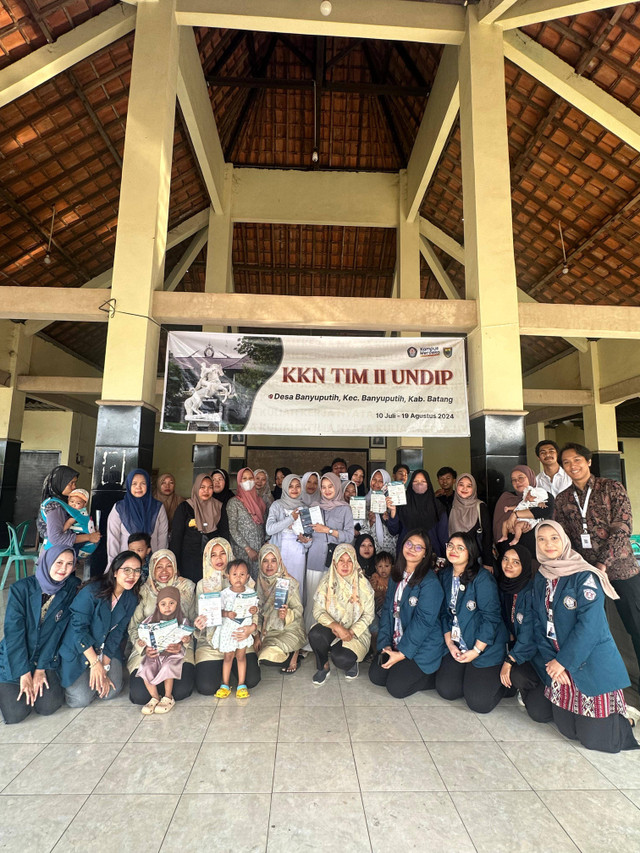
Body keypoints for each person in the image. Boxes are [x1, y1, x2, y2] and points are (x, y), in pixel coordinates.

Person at [533, 521, 637, 752]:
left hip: (589, 663)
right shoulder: (541, 577)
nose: (548, 544)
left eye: (554, 538)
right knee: (568, 731)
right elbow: (539, 624)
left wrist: (562, 662)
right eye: (542, 539)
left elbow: (591, 627)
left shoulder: (584, 576)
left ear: (564, 540)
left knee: (597, 741)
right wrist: (553, 662)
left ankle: (624, 718)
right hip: (559, 665)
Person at [554, 442, 640, 690]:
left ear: (588, 461)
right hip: (585, 573)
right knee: (590, 625)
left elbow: (623, 527)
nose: (573, 466)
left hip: (621, 569)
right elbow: (564, 537)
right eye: (567, 462)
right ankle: (601, 681)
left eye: (577, 460)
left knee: (634, 624)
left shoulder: (611, 487)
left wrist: (603, 562)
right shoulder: (563, 499)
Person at [0, 545, 80, 725]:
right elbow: (14, 633)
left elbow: (58, 631)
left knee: (48, 706)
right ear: (47, 561)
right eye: (59, 562)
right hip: (17, 655)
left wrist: (41, 668)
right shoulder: (21, 589)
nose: (63, 569)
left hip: (46, 655)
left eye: (69, 564)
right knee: (15, 715)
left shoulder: (70, 588)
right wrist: (24, 673)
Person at [435, 531, 508, 713]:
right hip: (458, 643)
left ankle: (508, 686)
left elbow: (491, 618)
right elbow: (444, 614)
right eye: (450, 546)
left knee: (479, 704)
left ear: (471, 552)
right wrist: (450, 644)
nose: (453, 550)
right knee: (447, 690)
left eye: (461, 548)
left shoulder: (482, 578)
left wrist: (476, 651)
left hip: (484, 647)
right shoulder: (444, 575)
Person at [59, 551, 142, 707]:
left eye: (137, 570)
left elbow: (117, 633)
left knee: (110, 692)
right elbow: (78, 629)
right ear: (116, 571)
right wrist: (95, 664)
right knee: (79, 700)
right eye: (127, 570)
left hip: (105, 649)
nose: (132, 575)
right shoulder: (92, 591)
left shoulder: (130, 598)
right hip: (80, 648)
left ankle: (94, 675)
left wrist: (104, 665)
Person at [369, 530, 445, 698]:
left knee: (396, 688)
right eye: (409, 544)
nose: (412, 549)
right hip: (397, 640)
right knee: (376, 677)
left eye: (419, 547)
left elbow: (423, 624)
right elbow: (388, 613)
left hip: (421, 647)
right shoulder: (396, 575)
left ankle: (432, 675)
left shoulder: (430, 582)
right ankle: (401, 665)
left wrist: (402, 653)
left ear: (426, 554)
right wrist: (385, 645)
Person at [127, 549, 196, 706]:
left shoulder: (187, 588)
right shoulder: (143, 591)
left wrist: (182, 643)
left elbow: (194, 621)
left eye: (168, 566)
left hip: (177, 650)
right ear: (152, 568)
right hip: (149, 651)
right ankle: (156, 692)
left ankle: (165, 692)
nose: (164, 571)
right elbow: (133, 628)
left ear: (175, 566)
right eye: (159, 567)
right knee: (140, 695)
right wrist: (144, 648)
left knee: (180, 690)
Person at [194, 537, 261, 695]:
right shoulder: (202, 585)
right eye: (213, 554)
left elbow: (257, 609)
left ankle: (238, 681)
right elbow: (195, 616)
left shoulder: (248, 583)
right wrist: (199, 622)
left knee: (251, 680)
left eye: (223, 553)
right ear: (207, 557)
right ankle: (225, 678)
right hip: (211, 641)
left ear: (229, 554)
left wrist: (252, 628)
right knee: (207, 687)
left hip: (239, 635)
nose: (219, 558)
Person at [497, 546, 552, 723]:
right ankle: (527, 690)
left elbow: (531, 635)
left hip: (538, 658)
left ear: (525, 565)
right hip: (521, 654)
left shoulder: (531, 591)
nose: (509, 565)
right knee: (538, 711)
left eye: (516, 562)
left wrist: (510, 661)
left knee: (541, 714)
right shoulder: (504, 587)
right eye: (505, 559)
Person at [309, 543, 374, 685]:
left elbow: (369, 616)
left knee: (342, 659)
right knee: (315, 634)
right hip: (333, 628)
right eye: (341, 561)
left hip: (356, 632)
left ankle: (352, 663)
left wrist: (350, 631)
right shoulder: (327, 581)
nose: (345, 565)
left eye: (349, 561)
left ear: (355, 562)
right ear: (334, 563)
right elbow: (318, 611)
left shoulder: (363, 584)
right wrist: (337, 627)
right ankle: (323, 667)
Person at [304, 473, 355, 638]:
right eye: (323, 487)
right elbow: (309, 533)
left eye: (330, 486)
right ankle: (310, 639)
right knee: (314, 599)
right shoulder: (314, 506)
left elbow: (349, 536)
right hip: (315, 559)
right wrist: (304, 538)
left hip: (335, 562)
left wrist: (328, 530)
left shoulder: (345, 508)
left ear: (337, 487)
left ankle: (329, 639)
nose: (326, 490)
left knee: (332, 602)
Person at [136, 587, 193, 715]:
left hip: (172, 654)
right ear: (158, 605)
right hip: (155, 655)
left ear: (177, 604)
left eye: (171, 603)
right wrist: (143, 644)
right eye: (163, 604)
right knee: (145, 668)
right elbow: (142, 634)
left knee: (168, 667)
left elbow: (188, 636)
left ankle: (168, 697)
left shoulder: (182, 620)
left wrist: (185, 640)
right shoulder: (151, 620)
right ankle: (155, 697)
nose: (167, 607)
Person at [254, 544, 306, 674]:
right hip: (269, 630)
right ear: (260, 563)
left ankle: (294, 653)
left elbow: (298, 610)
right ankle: (288, 652)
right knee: (260, 656)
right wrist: (257, 635)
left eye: (273, 560)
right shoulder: (259, 584)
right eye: (265, 561)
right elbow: (257, 612)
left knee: (267, 657)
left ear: (279, 562)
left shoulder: (289, 583)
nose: (269, 565)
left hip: (289, 628)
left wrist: (287, 613)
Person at [211, 559, 258, 699]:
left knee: (241, 656)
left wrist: (254, 609)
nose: (238, 578)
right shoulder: (224, 594)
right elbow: (217, 612)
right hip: (228, 629)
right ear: (228, 576)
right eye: (235, 574)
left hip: (243, 629)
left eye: (242, 574)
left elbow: (255, 610)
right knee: (228, 657)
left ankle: (241, 684)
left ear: (248, 576)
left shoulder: (251, 592)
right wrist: (227, 614)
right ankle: (225, 684)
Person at [170, 473, 225, 584]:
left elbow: (224, 536)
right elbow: (176, 538)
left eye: (210, 487)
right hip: (188, 561)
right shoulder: (184, 508)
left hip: (212, 561)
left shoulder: (218, 507)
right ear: (196, 488)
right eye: (202, 487)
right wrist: (175, 565)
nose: (206, 491)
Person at [106, 469, 168, 566]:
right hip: (125, 562)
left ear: (148, 485)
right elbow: (113, 538)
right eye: (134, 483)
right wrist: (113, 565)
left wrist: (159, 561)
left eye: (143, 483)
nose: (138, 487)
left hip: (152, 561)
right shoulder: (120, 508)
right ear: (129, 485)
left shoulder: (158, 507)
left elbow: (162, 536)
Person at [37, 464, 100, 556]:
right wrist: (89, 537)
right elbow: (56, 538)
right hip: (56, 557)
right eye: (71, 483)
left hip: (61, 555)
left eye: (75, 483)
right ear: (60, 482)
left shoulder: (63, 503)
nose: (74, 487)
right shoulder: (54, 507)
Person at [493, 465, 554, 558]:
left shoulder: (543, 495)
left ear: (530, 477)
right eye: (513, 480)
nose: (517, 482)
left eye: (521, 478)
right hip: (509, 555)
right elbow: (497, 526)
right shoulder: (506, 498)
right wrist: (511, 527)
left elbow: (545, 511)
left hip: (536, 554)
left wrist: (515, 515)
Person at [265, 473, 311, 595]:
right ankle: (280, 614)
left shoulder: (304, 507)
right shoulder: (277, 505)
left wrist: (306, 541)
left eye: (297, 486)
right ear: (285, 487)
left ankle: (295, 614)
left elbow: (309, 536)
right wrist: (290, 518)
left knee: (297, 584)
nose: (295, 489)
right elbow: (269, 529)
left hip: (298, 552)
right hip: (280, 551)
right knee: (280, 586)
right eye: (291, 486)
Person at [387, 469, 448, 558]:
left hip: (431, 555)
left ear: (428, 484)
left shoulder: (437, 506)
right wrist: (393, 511)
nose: (419, 484)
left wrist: (446, 558)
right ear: (411, 484)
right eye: (415, 481)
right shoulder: (402, 504)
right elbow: (393, 531)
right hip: (406, 555)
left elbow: (443, 535)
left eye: (423, 481)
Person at [226, 467, 267, 580]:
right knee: (242, 582)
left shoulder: (260, 502)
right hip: (242, 551)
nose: (248, 481)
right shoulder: (234, 503)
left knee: (258, 583)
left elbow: (263, 525)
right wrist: (248, 549)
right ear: (239, 481)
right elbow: (232, 529)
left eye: (250, 478)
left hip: (259, 550)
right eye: (244, 478)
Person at [448, 473, 493, 572]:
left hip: (476, 560)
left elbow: (487, 536)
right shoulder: (450, 506)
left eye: (469, 486)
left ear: (474, 488)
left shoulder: (480, 507)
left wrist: (488, 562)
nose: (465, 488)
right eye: (461, 485)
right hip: (454, 558)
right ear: (456, 486)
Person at [360, 468, 397, 553]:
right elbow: (359, 528)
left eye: (381, 481)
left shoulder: (392, 502)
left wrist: (388, 519)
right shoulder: (363, 502)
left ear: (386, 483)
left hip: (390, 548)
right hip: (369, 549)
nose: (376, 483)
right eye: (374, 479)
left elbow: (396, 529)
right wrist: (370, 522)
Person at [63, 488, 98, 562]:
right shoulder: (76, 511)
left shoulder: (78, 513)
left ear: (84, 504)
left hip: (83, 533)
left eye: (78, 503)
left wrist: (60, 531)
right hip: (80, 532)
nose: (74, 504)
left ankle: (72, 560)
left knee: (73, 546)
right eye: (71, 501)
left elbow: (69, 522)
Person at [368, 550, 393, 653]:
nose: (383, 569)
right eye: (380, 566)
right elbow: (370, 594)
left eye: (387, 566)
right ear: (375, 567)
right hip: (375, 608)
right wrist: (380, 595)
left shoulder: (394, 579)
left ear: (392, 566)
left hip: (389, 609)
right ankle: (375, 653)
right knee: (375, 629)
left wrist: (385, 597)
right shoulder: (374, 578)